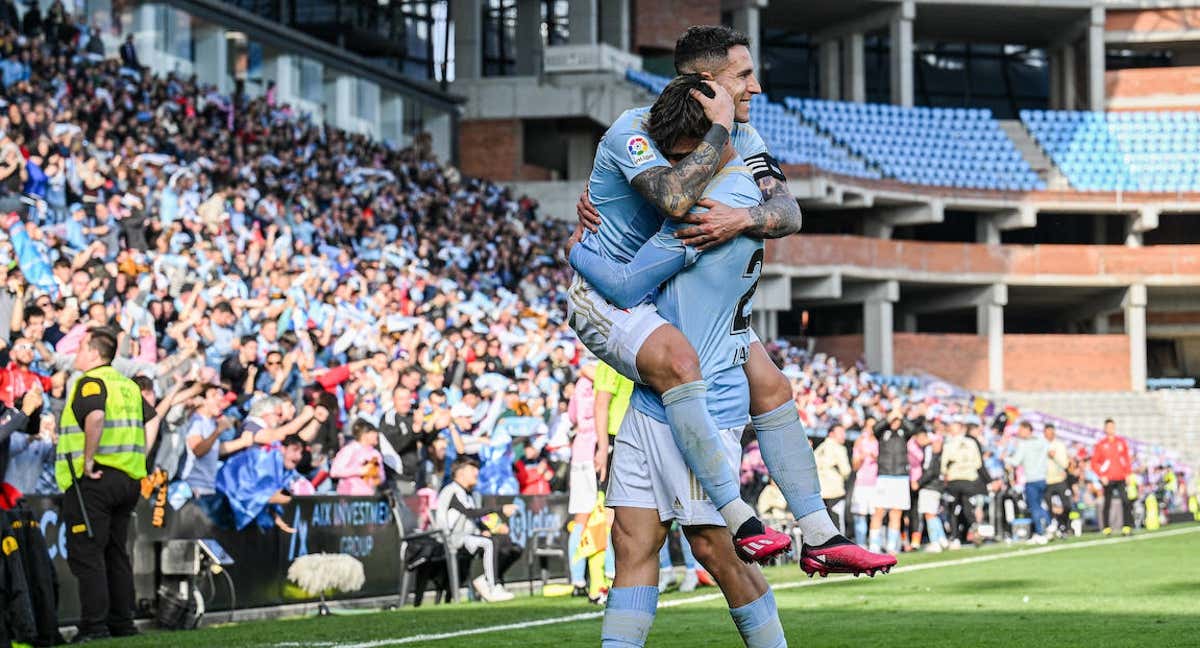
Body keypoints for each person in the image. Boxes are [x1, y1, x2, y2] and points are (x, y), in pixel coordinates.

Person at [569, 30, 891, 575]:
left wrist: (743, 217)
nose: (756, 86)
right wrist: (577, 252)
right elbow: (673, 197)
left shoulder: (745, 134)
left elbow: (787, 212)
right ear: (703, 82)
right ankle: (738, 515)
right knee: (682, 366)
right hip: (609, 293)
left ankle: (819, 533)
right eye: (743, 75)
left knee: (771, 383)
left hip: (663, 284)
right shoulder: (633, 130)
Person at [591, 77, 791, 648]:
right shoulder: (667, 148)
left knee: (715, 548)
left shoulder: (724, 192)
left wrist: (580, 249)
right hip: (656, 393)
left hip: (704, 398)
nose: (680, 166)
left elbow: (662, 223)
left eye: (687, 153)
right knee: (632, 540)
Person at [54, 328, 156, 641]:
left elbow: (95, 417)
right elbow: (151, 419)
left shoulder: (91, 382)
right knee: (115, 553)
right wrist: (138, 461)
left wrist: (87, 460)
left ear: (95, 353)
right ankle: (122, 624)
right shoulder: (126, 385)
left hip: (94, 479)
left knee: (88, 554)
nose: (76, 354)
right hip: (127, 479)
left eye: (81, 348)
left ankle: (94, 627)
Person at [435, 457, 521, 603]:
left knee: (511, 546)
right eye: (472, 469)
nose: (477, 472)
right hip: (453, 538)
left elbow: (474, 518)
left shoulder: (471, 494)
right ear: (460, 473)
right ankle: (491, 586)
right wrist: (500, 509)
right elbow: (469, 513)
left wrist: (486, 528)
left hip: (469, 536)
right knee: (490, 543)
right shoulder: (452, 491)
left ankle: (488, 580)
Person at [566, 365, 599, 596]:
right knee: (606, 516)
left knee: (581, 519)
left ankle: (577, 580)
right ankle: (608, 575)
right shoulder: (603, 374)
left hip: (579, 453)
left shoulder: (579, 385)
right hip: (596, 451)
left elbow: (571, 417)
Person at [869, 410, 914, 554]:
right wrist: (889, 417)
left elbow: (912, 428)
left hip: (901, 477)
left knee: (896, 512)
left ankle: (892, 545)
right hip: (884, 476)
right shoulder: (882, 433)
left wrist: (901, 415)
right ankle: (874, 545)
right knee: (879, 511)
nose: (895, 422)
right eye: (892, 420)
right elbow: (875, 428)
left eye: (897, 420)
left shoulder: (904, 433)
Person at [941, 418, 984, 549]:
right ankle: (974, 527)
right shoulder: (972, 442)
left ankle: (955, 538)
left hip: (955, 479)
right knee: (967, 506)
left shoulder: (949, 444)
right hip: (970, 479)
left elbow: (943, 466)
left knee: (954, 509)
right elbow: (978, 463)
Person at [1005, 421, 1050, 543]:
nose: (1019, 433)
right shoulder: (1042, 441)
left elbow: (1016, 461)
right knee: (1039, 505)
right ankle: (1046, 528)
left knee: (1034, 507)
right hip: (1043, 478)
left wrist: (1005, 457)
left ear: (1027, 429)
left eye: (1020, 430)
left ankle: (1042, 531)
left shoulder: (1024, 444)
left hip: (1031, 479)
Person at [1092, 419, 1133, 536]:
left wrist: (1128, 473)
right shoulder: (1101, 444)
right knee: (1107, 502)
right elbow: (1095, 462)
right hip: (1108, 478)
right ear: (1105, 429)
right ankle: (1106, 527)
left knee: (1125, 500)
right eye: (1108, 427)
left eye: (1112, 426)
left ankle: (1126, 526)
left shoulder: (1121, 442)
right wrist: (1101, 475)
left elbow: (1126, 459)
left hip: (1120, 477)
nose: (1111, 429)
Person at [330, 419, 384, 496]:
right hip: (349, 497)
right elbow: (334, 471)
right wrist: (361, 470)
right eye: (374, 433)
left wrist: (377, 477)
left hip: (369, 497)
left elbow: (382, 476)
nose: (377, 435)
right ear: (365, 435)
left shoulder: (376, 454)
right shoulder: (350, 450)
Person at [814, 424, 851, 534]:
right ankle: (839, 549)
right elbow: (846, 470)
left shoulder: (819, 448)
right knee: (837, 524)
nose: (843, 436)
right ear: (831, 434)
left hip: (820, 492)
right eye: (840, 433)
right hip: (835, 492)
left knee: (822, 525)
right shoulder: (839, 448)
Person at [850, 419, 878, 547]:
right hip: (862, 484)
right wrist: (861, 457)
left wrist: (875, 457)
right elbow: (854, 466)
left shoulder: (879, 441)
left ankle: (875, 544)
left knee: (876, 515)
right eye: (869, 426)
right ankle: (861, 545)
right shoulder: (860, 441)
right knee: (860, 515)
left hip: (876, 483)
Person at [1043, 424, 1073, 537]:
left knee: (1067, 505)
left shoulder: (1059, 445)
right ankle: (1053, 527)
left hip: (1059, 479)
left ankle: (1064, 524)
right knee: (1049, 507)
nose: (1049, 435)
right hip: (1046, 481)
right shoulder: (1041, 446)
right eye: (1047, 433)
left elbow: (1065, 463)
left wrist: (1054, 456)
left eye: (1051, 433)